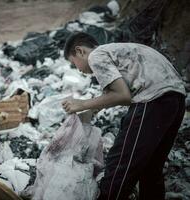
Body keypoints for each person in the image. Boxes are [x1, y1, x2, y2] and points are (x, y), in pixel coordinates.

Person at [61, 32, 186, 200]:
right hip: (176, 100)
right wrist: (92, 108)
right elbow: (119, 94)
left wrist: (81, 104)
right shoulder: (118, 51)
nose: (79, 70)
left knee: (121, 164)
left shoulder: (96, 56)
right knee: (151, 168)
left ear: (80, 51)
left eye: (74, 63)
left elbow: (122, 95)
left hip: (153, 100)